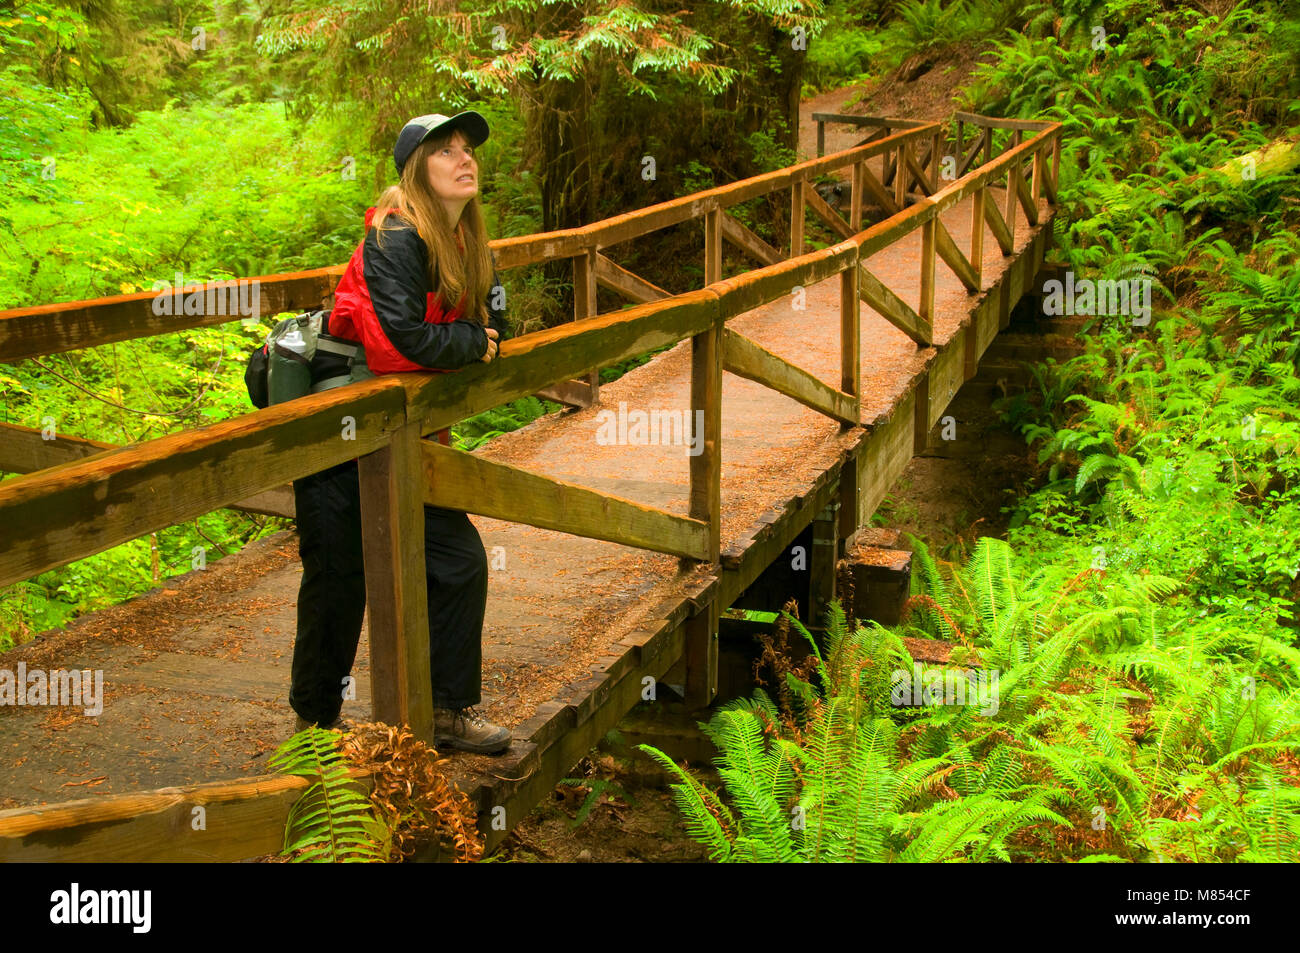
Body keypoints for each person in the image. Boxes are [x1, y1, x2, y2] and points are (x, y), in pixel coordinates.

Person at [289, 111, 511, 754]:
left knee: (459, 560)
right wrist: (472, 340)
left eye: (468, 150)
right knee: (338, 576)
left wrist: (477, 337)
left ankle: (447, 709)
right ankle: (316, 726)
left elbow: (502, 322)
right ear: (418, 168)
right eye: (446, 151)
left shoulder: (467, 241)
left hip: (406, 436)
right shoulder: (395, 235)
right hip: (339, 425)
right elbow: (396, 346)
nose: (464, 159)